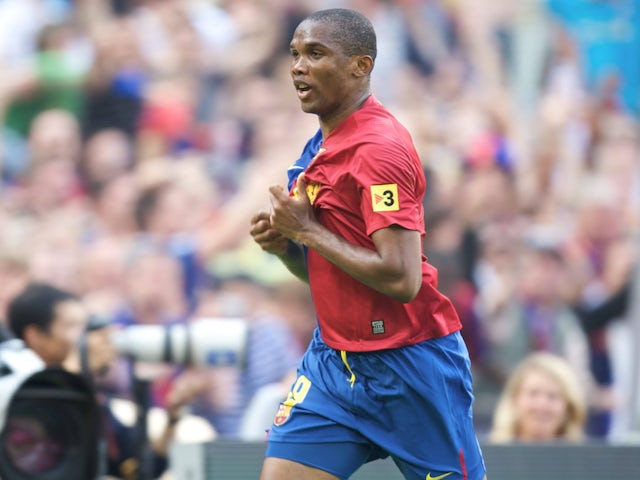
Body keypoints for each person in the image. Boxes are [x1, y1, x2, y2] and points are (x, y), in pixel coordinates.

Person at [249, 8, 487, 480]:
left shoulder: (379, 150)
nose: (298, 66)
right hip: (335, 363)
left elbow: (401, 279)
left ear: (361, 66)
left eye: (315, 54)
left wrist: (307, 232)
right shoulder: (321, 144)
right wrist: (286, 248)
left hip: (411, 365)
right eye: (295, 54)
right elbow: (325, 268)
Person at [6, 282, 195, 480]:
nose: (87, 337)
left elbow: (136, 467)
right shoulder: (13, 383)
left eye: (85, 325)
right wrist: (77, 368)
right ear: (35, 336)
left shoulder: (91, 398)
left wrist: (173, 417)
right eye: (71, 326)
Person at [489, 352, 587, 443]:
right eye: (533, 394)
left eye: (552, 396)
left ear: (568, 407)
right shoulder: (485, 458)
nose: (541, 405)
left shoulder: (585, 459)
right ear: (515, 399)